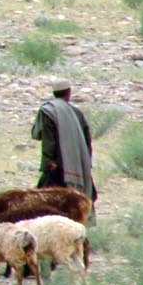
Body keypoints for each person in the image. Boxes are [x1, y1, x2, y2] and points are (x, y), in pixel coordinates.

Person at [32, 79, 96, 209]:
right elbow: (86, 141)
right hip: (76, 165)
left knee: (45, 203)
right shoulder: (77, 113)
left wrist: (48, 162)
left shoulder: (49, 111)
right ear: (69, 93)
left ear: (54, 93)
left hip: (56, 166)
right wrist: (85, 164)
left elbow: (48, 140)